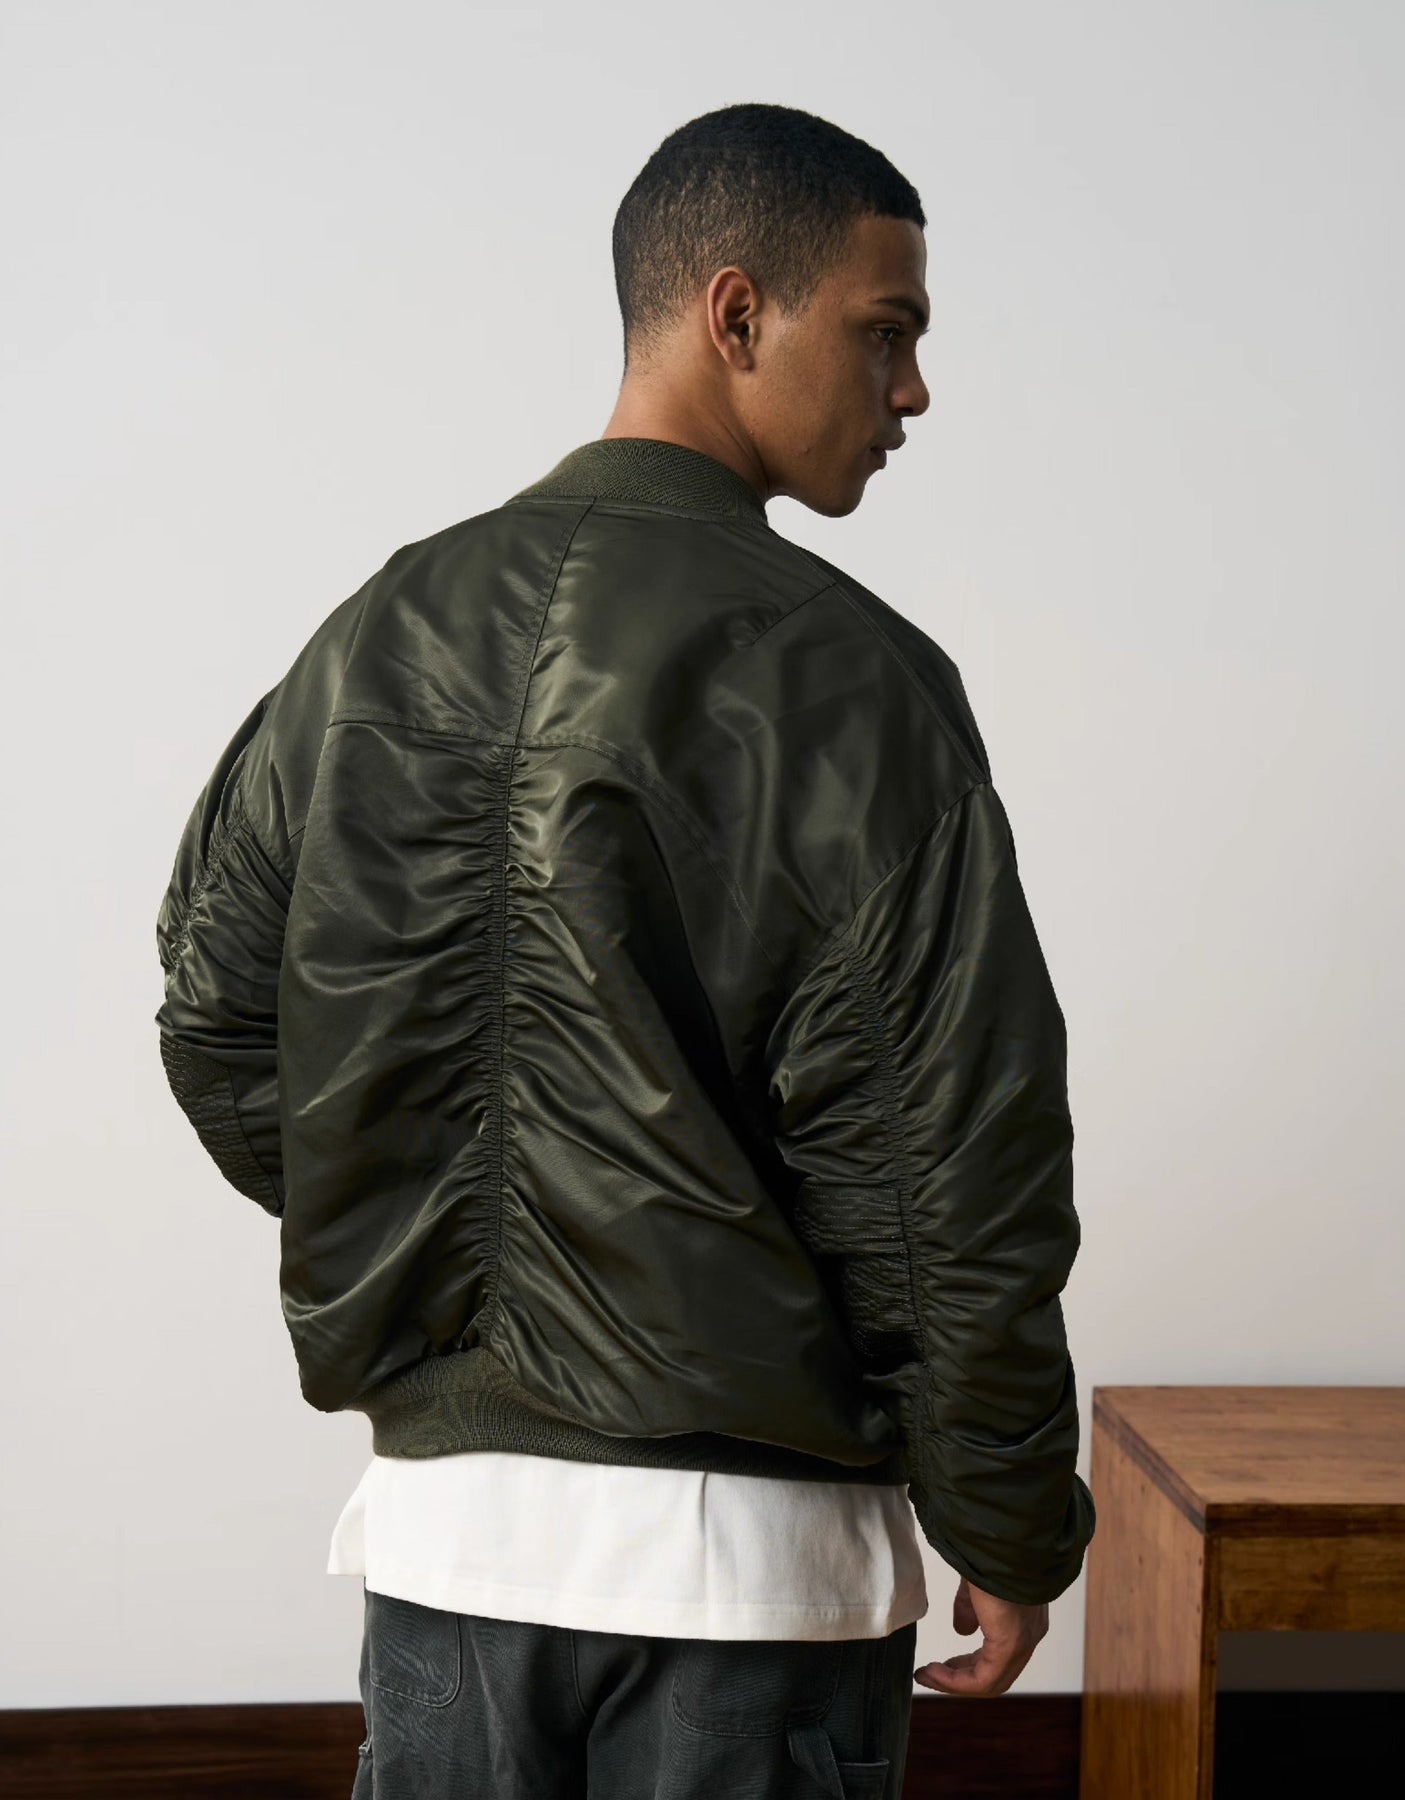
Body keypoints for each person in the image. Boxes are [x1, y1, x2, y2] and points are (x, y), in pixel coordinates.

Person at [153, 100, 1094, 1799]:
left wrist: (426, 1221)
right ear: (737, 314)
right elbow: (951, 1167)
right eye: (884, 332)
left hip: (447, 1549)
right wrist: (1009, 1516)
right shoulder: (851, 679)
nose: (911, 392)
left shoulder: (378, 633)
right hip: (751, 1576)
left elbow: (220, 1020)